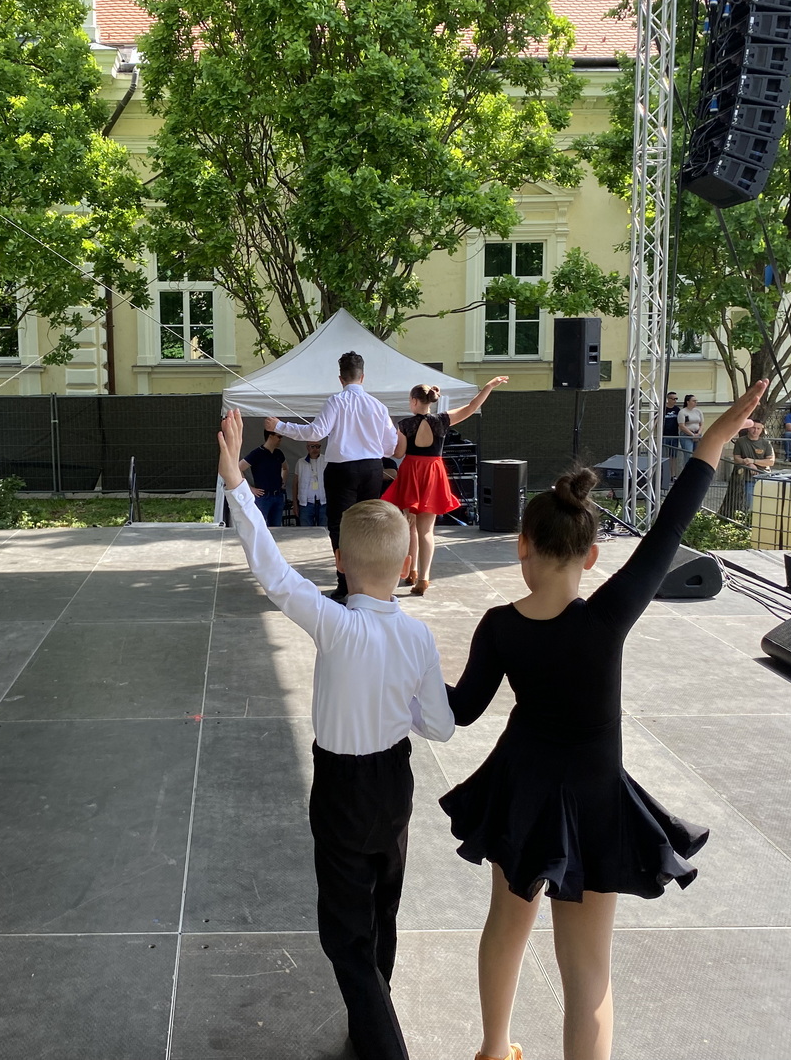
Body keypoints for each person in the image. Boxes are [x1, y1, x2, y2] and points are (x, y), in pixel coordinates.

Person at [439, 379, 768, 1060]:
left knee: (506, 925)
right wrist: (711, 440)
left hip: (523, 788)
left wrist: (404, 674)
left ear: (521, 545)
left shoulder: (499, 626)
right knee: (588, 967)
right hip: (593, 796)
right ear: (591, 556)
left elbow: (461, 710)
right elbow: (669, 528)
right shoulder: (606, 617)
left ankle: (494, 1050)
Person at [216, 408, 453, 1060]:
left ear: (340, 561)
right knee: (382, 913)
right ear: (406, 561)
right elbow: (440, 725)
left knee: (343, 933)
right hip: (394, 783)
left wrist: (236, 482)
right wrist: (401, 704)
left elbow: (274, 573)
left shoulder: (336, 624)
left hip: (343, 789)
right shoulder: (417, 635)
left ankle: (383, 1045)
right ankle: (369, 1027)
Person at [266, 351, 398, 603]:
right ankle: (368, 582)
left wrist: (280, 426)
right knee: (368, 524)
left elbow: (315, 433)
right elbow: (390, 446)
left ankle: (344, 584)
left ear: (340, 379)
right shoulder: (378, 406)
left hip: (342, 469)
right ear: (363, 376)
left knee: (340, 525)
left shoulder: (336, 402)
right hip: (372, 468)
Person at [383, 376, 507, 596]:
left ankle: (411, 570)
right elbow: (472, 406)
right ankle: (423, 577)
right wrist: (489, 386)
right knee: (426, 530)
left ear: (414, 401)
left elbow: (399, 454)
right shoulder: (442, 420)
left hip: (412, 472)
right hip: (432, 472)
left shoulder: (404, 425)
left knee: (410, 526)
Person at [240, 430, 288, 527]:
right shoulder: (257, 453)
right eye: (279, 436)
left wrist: (283, 481)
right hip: (263, 496)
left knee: (276, 527)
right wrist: (250, 488)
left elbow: (285, 468)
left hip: (278, 495)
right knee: (260, 526)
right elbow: (238, 468)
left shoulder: (278, 453)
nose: (281, 439)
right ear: (270, 436)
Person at [730, 418, 775, 511]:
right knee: (751, 504)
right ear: (749, 428)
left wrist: (753, 461)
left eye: (758, 428)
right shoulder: (741, 441)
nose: (756, 431)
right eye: (754, 428)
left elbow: (770, 461)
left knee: (766, 504)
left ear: (762, 430)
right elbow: (736, 459)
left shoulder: (766, 443)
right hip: (748, 478)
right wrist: (748, 463)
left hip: (764, 476)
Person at [295, 440, 329, 527]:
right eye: (312, 446)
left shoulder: (326, 461)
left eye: (317, 446)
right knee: (306, 531)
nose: (315, 449)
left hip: (323, 502)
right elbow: (295, 484)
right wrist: (295, 504)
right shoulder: (301, 462)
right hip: (306, 503)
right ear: (307, 447)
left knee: (324, 530)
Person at [662, 391, 682, 479]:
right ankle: (663, 474)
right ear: (668, 399)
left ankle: (672, 475)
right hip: (664, 436)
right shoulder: (663, 409)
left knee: (673, 456)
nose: (675, 401)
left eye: (676, 399)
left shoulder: (677, 410)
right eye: (673, 399)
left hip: (674, 436)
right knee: (663, 456)